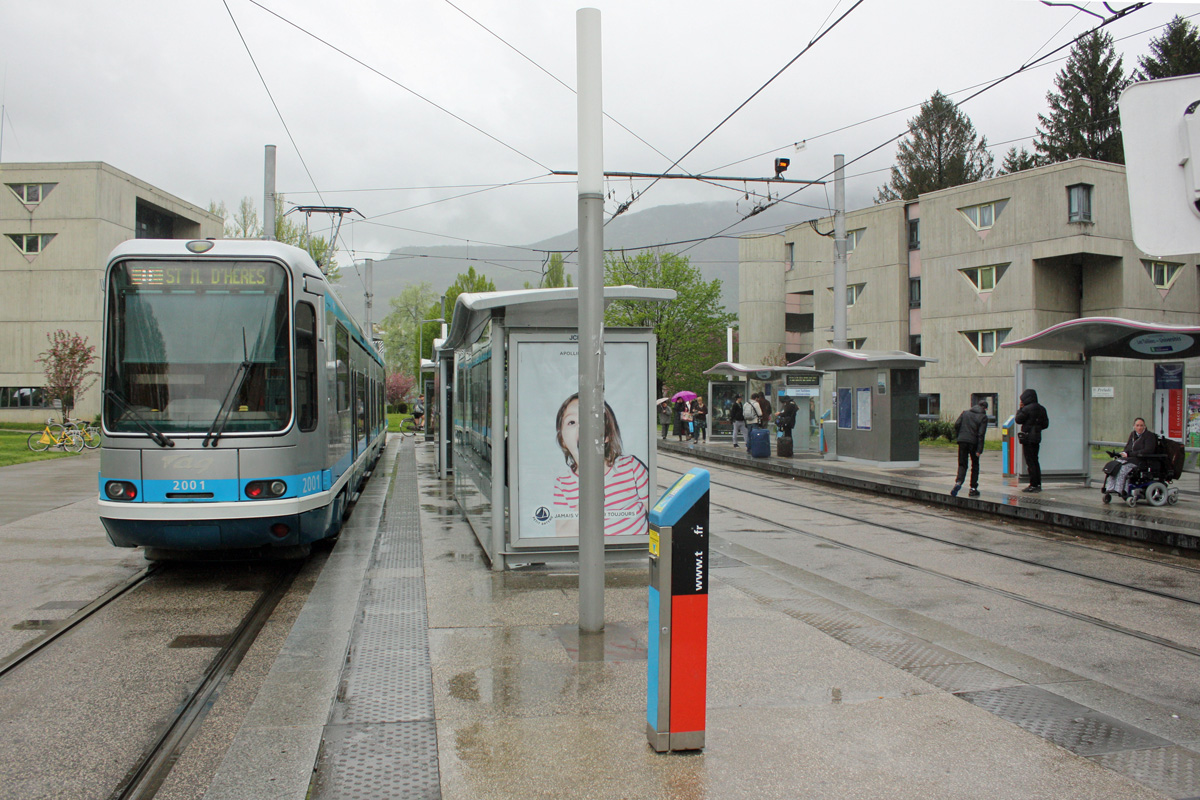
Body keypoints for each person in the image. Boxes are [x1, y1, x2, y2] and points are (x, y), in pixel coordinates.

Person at [551, 393, 649, 537]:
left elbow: (654, 511)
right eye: (572, 422)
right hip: (591, 552)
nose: (582, 427)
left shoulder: (631, 467)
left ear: (606, 435)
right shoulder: (563, 483)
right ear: (563, 440)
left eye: (590, 420)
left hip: (634, 549)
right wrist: (586, 500)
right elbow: (562, 534)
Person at [1105, 417, 1156, 496]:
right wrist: (1122, 453)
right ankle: (1110, 488)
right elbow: (1128, 447)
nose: (1139, 427)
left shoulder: (1149, 436)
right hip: (1129, 458)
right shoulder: (1133, 435)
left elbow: (1148, 450)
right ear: (1134, 426)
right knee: (1114, 466)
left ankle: (1119, 489)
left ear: (1144, 426)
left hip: (1140, 460)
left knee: (1123, 469)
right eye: (1137, 425)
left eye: (1141, 425)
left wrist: (1129, 454)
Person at [951, 399, 989, 497]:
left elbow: (957, 424)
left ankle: (958, 482)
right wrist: (979, 450)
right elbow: (981, 434)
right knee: (975, 465)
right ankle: (973, 488)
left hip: (962, 441)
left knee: (962, 464)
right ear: (985, 408)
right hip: (974, 442)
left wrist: (960, 435)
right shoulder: (983, 417)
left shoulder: (965, 413)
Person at [1014, 388, 1049, 493]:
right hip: (1037, 438)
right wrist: (1037, 427)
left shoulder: (1026, 409)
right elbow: (1045, 424)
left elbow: (1018, 420)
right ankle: (1038, 484)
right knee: (1035, 460)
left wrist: (1020, 409)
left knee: (1030, 462)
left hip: (1027, 438)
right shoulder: (1042, 409)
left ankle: (1033, 484)